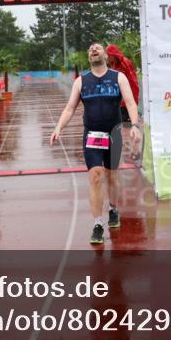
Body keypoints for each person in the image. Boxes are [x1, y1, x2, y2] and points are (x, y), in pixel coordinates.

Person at [50, 43, 141, 244]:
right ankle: (98, 224)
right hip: (92, 135)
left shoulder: (119, 77)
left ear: (106, 55)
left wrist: (135, 125)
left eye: (97, 47)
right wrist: (58, 127)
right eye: (90, 48)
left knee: (112, 177)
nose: (93, 49)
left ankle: (113, 208)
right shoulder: (81, 81)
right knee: (95, 177)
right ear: (89, 57)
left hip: (114, 134)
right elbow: (69, 108)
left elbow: (131, 103)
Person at [106, 44, 140, 124]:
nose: (107, 57)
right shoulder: (113, 63)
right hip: (120, 98)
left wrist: (134, 98)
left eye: (109, 55)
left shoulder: (125, 62)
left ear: (113, 54)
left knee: (126, 121)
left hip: (128, 96)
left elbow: (133, 80)